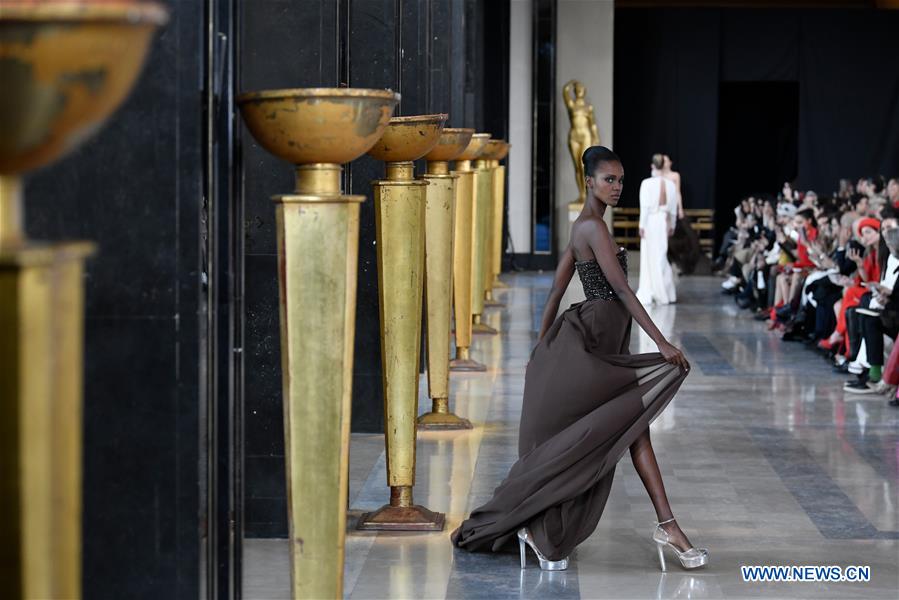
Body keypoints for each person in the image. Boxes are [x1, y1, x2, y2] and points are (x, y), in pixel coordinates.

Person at [451, 146, 708, 573]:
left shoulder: (585, 227)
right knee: (629, 425)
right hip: (591, 344)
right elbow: (621, 290)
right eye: (609, 179)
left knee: (635, 428)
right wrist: (662, 342)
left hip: (606, 343)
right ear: (588, 182)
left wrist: (539, 346)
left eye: (620, 180)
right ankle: (663, 527)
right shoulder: (591, 227)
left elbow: (556, 292)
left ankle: (666, 526)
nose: (617, 187)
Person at [636, 154, 679, 304]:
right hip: (663, 221)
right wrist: (672, 225)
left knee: (650, 257)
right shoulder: (670, 185)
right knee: (661, 255)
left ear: (652, 166)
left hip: (651, 221)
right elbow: (673, 210)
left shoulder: (646, 184)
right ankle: (665, 292)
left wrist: (641, 225)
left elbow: (645, 207)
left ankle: (653, 291)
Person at [659, 154, 702, 274]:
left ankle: (685, 263)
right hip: (664, 210)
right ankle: (669, 263)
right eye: (663, 161)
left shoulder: (675, 175)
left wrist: (680, 208)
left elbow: (677, 192)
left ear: (670, 163)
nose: (665, 163)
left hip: (674, 209)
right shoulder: (659, 176)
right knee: (665, 238)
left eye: (666, 160)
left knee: (687, 235)